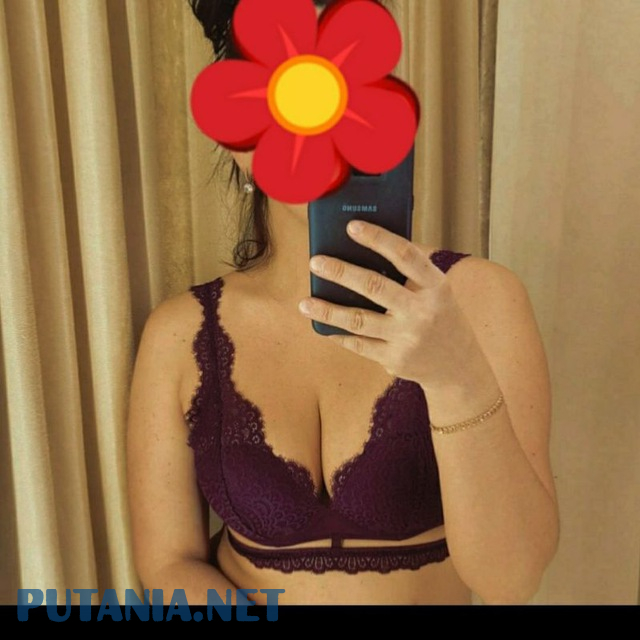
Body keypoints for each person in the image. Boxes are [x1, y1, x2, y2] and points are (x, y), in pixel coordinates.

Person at [126, 0, 559, 605]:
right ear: (236, 128)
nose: (316, 124)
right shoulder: (179, 333)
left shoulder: (481, 298)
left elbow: (512, 582)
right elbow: (168, 563)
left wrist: (456, 377)